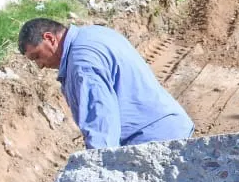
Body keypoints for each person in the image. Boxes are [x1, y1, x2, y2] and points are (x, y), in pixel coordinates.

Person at [19, 18, 194, 148]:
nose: (40, 65)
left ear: (50, 38)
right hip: (166, 128)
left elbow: (101, 123)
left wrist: (97, 168)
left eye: (37, 56)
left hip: (152, 140)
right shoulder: (93, 34)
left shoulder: (82, 63)